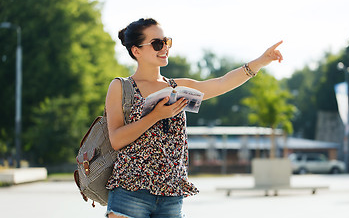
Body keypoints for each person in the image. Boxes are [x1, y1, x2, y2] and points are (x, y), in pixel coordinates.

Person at [105, 18, 283, 218]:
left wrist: (260, 61)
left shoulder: (177, 87)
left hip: (172, 195)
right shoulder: (120, 87)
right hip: (130, 193)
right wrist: (157, 115)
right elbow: (116, 140)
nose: (164, 48)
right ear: (136, 51)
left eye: (166, 41)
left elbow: (221, 83)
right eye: (157, 43)